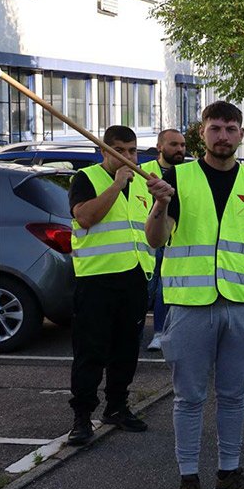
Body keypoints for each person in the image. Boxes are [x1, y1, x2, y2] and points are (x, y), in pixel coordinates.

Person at [145, 101, 244, 489]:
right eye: (215, 128)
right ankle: (189, 480)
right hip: (189, 304)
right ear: (200, 133)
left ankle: (228, 474)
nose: (223, 135)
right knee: (188, 397)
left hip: (239, 304)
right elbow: (154, 239)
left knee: (234, 395)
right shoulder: (177, 178)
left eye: (230, 128)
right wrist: (160, 204)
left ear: (241, 134)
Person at [65, 125, 155, 446]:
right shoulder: (87, 179)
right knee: (90, 351)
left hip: (134, 277)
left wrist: (161, 202)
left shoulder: (143, 184)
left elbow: (153, 228)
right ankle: (81, 416)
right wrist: (117, 185)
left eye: (133, 151)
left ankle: (117, 407)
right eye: (121, 150)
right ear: (105, 150)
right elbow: (86, 217)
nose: (129, 157)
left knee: (126, 349)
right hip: (97, 279)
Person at [143, 128, 187, 351]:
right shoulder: (142, 172)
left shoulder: (189, 172)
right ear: (160, 146)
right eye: (174, 144)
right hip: (146, 241)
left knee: (164, 288)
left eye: (182, 145)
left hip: (175, 241)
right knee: (148, 289)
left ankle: (160, 332)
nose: (179, 149)